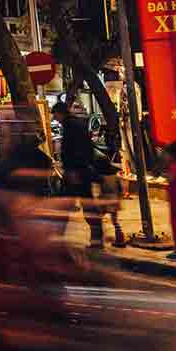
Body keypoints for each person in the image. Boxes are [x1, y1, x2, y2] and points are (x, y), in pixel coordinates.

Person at [53, 101, 103, 245]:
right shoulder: (76, 124)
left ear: (60, 113)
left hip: (76, 172)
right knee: (84, 204)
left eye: (55, 115)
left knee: (72, 205)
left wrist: (74, 170)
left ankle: (59, 236)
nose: (55, 118)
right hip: (80, 170)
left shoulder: (71, 126)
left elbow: (74, 150)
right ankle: (96, 236)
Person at [95, 152, 126, 247]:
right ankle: (120, 239)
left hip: (105, 199)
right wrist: (120, 197)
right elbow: (121, 189)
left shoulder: (101, 177)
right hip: (115, 199)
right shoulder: (116, 176)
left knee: (98, 218)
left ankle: (99, 238)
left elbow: (100, 190)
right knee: (115, 221)